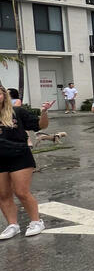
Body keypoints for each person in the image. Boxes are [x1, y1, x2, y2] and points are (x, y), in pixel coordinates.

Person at [0, 84, 55, 239]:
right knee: (3, 194)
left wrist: (44, 112)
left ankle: (36, 221)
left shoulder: (17, 112)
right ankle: (12, 225)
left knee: (21, 192)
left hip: (19, 155)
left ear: (4, 95)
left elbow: (39, 125)